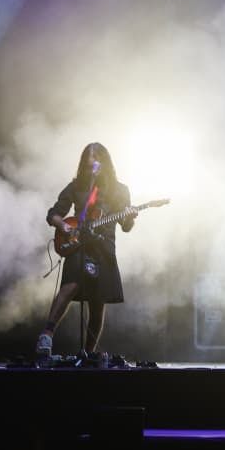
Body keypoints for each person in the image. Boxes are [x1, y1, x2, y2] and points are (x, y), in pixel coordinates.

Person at [35, 143, 134, 359]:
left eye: (96, 165)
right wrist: (63, 226)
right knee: (70, 286)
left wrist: (129, 216)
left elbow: (126, 227)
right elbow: (53, 213)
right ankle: (46, 335)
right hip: (78, 244)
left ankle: (88, 354)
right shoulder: (76, 187)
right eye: (88, 166)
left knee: (98, 303)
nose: (92, 170)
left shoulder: (120, 190)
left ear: (105, 164)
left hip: (104, 248)